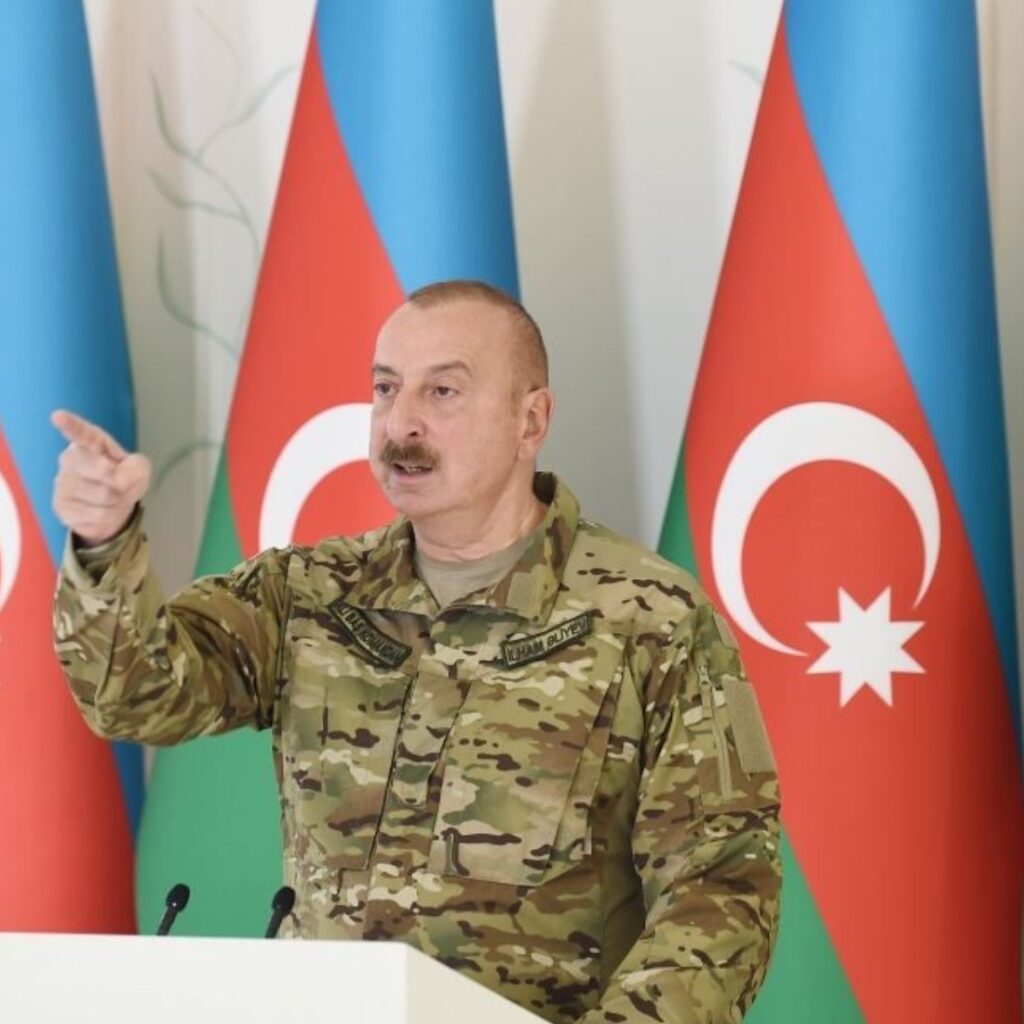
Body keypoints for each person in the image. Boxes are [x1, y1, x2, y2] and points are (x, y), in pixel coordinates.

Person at [52, 280, 781, 1023]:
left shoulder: (646, 616)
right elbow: (135, 693)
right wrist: (105, 540)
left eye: (443, 392)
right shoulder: (307, 593)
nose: (401, 424)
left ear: (531, 419)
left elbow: (721, 886)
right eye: (385, 389)